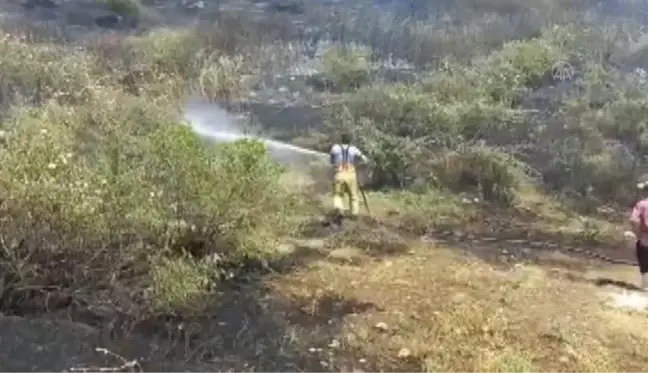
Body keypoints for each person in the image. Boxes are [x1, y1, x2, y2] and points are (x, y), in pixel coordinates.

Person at [329, 132, 369, 222]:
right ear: (350, 140)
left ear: (341, 139)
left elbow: (331, 161)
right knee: (354, 196)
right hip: (351, 174)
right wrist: (360, 164)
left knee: (338, 195)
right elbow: (365, 159)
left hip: (339, 174)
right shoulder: (354, 149)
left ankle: (339, 210)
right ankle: (354, 215)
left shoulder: (335, 148)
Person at [629, 180, 648, 290]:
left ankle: (646, 286)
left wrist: (637, 233)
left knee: (644, 261)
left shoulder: (641, 204)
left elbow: (633, 220)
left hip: (645, 238)